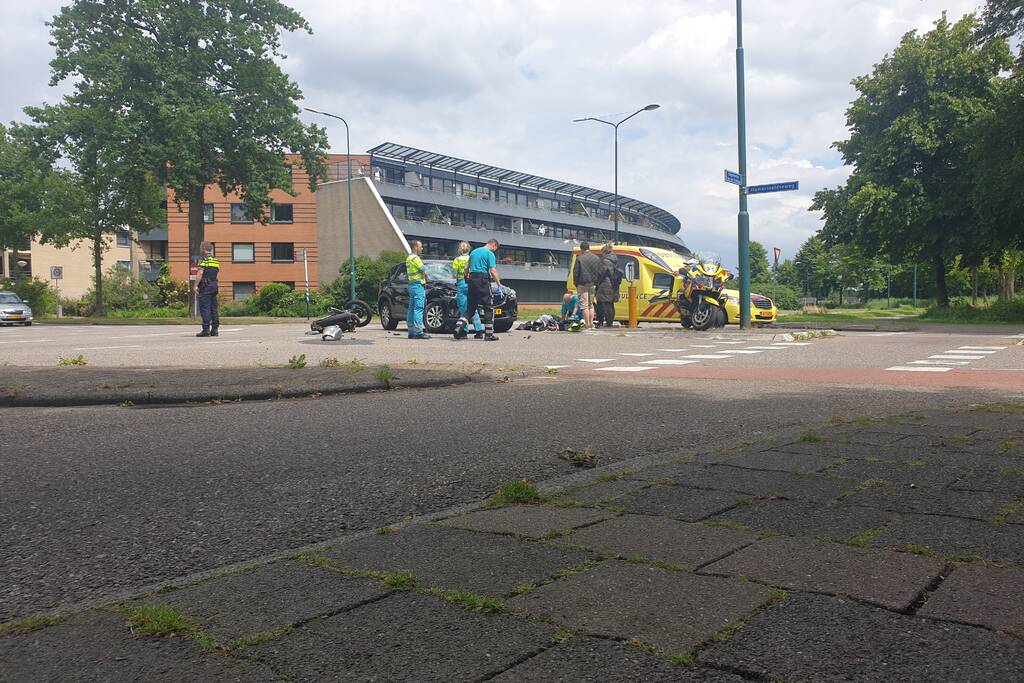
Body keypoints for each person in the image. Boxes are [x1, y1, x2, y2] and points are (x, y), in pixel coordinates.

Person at [454, 238, 501, 341]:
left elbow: (466, 268)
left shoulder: (474, 252)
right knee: (488, 307)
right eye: (495, 249)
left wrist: (467, 278)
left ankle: (459, 326)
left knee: (471, 308)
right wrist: (499, 284)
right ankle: (489, 334)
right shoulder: (489, 254)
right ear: (494, 245)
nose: (494, 251)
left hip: (472, 280)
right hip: (483, 280)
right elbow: (492, 270)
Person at [452, 241, 483, 338]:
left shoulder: (457, 260)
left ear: (460, 250)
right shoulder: (472, 259)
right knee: (473, 308)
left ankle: (464, 331)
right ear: (469, 249)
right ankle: (479, 331)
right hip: (471, 284)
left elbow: (453, 274)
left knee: (463, 308)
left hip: (461, 284)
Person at [572, 242, 602, 329]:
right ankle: (592, 323)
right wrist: (597, 283)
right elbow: (599, 272)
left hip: (582, 284)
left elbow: (576, 272)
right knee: (591, 304)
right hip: (593, 284)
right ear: (589, 248)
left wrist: (576, 283)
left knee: (584, 305)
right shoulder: (596, 258)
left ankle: (587, 324)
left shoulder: (579, 258)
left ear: (581, 249)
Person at [195, 241, 220, 337]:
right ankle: (215, 329)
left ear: (204, 248)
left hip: (205, 286)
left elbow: (200, 273)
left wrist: (195, 285)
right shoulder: (215, 260)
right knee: (214, 307)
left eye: (201, 248)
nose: (200, 250)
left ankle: (206, 330)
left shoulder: (203, 260)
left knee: (205, 307)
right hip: (214, 285)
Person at [405, 240, 430, 339]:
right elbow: (424, 270)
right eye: (421, 246)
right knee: (418, 308)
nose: (422, 248)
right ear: (415, 247)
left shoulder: (408, 258)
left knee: (411, 308)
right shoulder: (416, 258)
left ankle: (411, 331)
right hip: (418, 285)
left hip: (411, 285)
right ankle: (418, 332)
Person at [595, 244, 621, 328]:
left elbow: (601, 273)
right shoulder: (615, 259)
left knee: (606, 305)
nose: (601, 254)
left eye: (602, 252)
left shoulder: (605, 261)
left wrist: (597, 283)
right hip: (614, 284)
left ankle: (608, 323)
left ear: (605, 252)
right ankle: (610, 322)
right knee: (611, 304)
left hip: (606, 284)